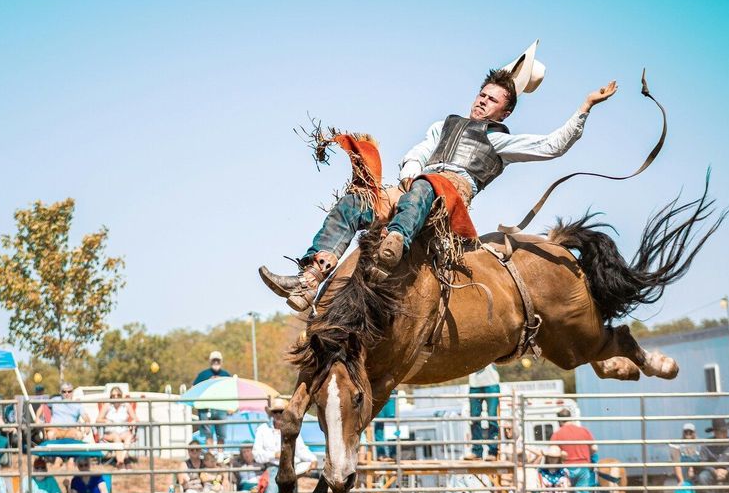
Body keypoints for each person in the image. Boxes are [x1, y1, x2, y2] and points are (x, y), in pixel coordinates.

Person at [259, 42, 617, 310]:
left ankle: (392, 248)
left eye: (491, 100)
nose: (481, 101)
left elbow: (552, 145)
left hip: (450, 199)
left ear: (504, 111)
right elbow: (418, 151)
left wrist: (585, 107)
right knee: (356, 202)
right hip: (419, 186)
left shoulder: (502, 140)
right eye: (481, 94)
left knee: (430, 185)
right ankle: (308, 282)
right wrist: (411, 170)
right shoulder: (444, 125)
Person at [251, 398, 318, 493]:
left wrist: (312, 460)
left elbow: (301, 450)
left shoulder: (291, 430)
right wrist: (273, 455)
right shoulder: (263, 430)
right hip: (273, 469)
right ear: (271, 414)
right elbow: (257, 454)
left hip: (290, 469)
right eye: (276, 412)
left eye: (281, 412)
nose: (278, 415)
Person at [549, 408, 597, 493]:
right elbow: (595, 448)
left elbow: (553, 451)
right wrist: (588, 455)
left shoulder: (557, 434)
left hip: (566, 468)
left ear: (559, 420)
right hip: (583, 467)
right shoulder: (584, 431)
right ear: (570, 417)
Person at [191, 351, 231, 449]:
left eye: (218, 360)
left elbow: (231, 390)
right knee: (207, 434)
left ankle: (220, 456)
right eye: (214, 360)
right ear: (210, 361)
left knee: (221, 434)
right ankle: (211, 454)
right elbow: (193, 388)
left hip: (221, 407)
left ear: (221, 362)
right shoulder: (203, 375)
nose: (216, 362)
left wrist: (231, 406)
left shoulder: (226, 375)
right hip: (205, 408)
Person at [668, 423, 701, 493]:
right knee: (685, 486)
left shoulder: (699, 445)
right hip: (686, 477)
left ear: (694, 433)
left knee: (689, 488)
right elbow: (676, 464)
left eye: (690, 432)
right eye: (686, 432)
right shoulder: (678, 446)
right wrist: (681, 480)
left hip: (698, 476)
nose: (688, 434)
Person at [465, 364, 501, 461]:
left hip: (492, 384)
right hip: (474, 385)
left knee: (492, 418)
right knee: (474, 419)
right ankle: (476, 452)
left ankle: (492, 452)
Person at [98, 387, 136, 467]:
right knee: (116, 437)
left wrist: (133, 421)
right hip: (110, 432)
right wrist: (105, 421)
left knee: (129, 436)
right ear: (111, 397)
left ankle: (121, 460)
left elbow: (135, 418)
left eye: (118, 395)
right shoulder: (107, 405)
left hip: (123, 430)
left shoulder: (126, 405)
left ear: (121, 396)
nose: (116, 397)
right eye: (113, 395)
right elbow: (98, 420)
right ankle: (122, 461)